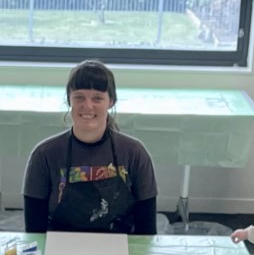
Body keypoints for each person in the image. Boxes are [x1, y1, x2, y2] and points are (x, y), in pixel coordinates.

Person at [22, 60, 158, 236]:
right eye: (79, 97)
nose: (87, 106)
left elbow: (146, 235)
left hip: (123, 250)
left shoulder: (134, 153)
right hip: (60, 249)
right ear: (68, 100)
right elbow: (34, 234)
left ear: (111, 101)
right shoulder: (44, 155)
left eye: (97, 98)